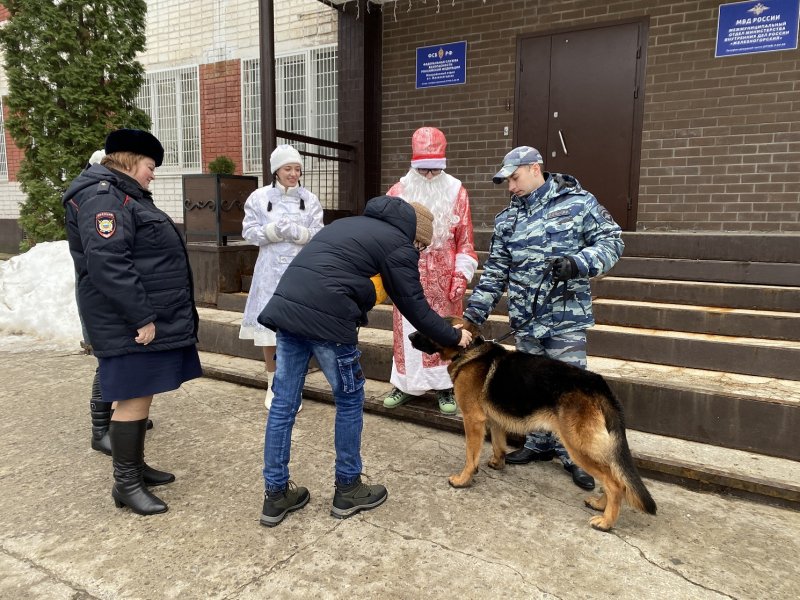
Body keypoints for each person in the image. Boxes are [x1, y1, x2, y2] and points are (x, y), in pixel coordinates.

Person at [256, 195, 472, 527]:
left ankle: (275, 495)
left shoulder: (349, 225)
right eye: (421, 247)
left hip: (287, 310)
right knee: (349, 399)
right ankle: (349, 487)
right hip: (330, 321)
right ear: (416, 235)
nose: (418, 253)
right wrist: (454, 336)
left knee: (283, 402)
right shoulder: (399, 246)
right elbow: (415, 306)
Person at [463, 146, 624, 491]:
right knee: (531, 388)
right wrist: (472, 316)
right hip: (526, 321)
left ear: (535, 169)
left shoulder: (578, 202)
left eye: (515, 178)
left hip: (565, 318)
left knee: (571, 393)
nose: (510, 187)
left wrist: (580, 263)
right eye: (507, 181)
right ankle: (538, 444)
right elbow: (494, 272)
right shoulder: (508, 219)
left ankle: (576, 456)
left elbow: (612, 241)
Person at [63, 129, 202, 515]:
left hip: (139, 313)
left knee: (141, 392)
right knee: (133, 395)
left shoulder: (121, 194)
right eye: (149, 166)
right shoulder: (103, 197)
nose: (152, 174)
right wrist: (140, 315)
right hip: (127, 318)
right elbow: (108, 263)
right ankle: (125, 484)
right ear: (129, 161)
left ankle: (135, 469)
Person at [384, 127, 478, 415]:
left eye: (434, 170)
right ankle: (405, 384)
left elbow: (466, 241)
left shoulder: (456, 191)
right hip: (407, 274)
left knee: (444, 332)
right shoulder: (398, 192)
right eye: (423, 169)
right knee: (407, 331)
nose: (428, 176)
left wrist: (461, 275)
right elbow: (385, 236)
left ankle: (444, 387)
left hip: (445, 280)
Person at [239, 144, 324, 411]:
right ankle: (273, 383)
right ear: (276, 170)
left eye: (297, 169)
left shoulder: (309, 199)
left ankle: (294, 383)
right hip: (269, 271)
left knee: (297, 329)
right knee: (270, 330)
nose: (293, 173)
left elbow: (319, 233)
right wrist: (273, 230)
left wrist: (299, 233)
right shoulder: (259, 197)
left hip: (300, 271)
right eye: (288, 168)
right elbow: (248, 231)